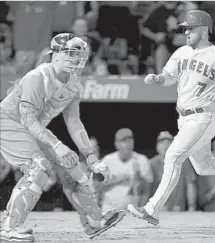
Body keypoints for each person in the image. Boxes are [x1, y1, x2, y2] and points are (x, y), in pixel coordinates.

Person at [127, 10, 215, 226]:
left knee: (172, 155)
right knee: (203, 166)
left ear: (204, 29)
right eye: (185, 28)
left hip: (204, 116)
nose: (186, 31)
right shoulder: (181, 52)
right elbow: (169, 77)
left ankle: (152, 209)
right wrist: (157, 78)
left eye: (190, 28)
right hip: (184, 118)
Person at [0, 33, 125, 242]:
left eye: (79, 55)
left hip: (34, 127)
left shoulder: (74, 85)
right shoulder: (36, 78)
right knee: (38, 167)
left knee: (73, 167)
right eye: (70, 54)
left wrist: (91, 157)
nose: (76, 60)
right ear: (55, 54)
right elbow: (28, 121)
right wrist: (57, 145)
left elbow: (74, 123)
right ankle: (9, 228)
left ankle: (94, 223)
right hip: (9, 123)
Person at [100, 128, 153, 211]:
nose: (128, 144)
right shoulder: (107, 160)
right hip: (109, 210)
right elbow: (97, 186)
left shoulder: (141, 160)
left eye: (130, 140)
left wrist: (139, 176)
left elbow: (147, 189)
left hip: (132, 212)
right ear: (116, 144)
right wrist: (116, 179)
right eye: (124, 141)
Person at [150, 131, 197, 212]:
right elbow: (148, 188)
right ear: (157, 147)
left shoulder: (183, 162)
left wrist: (191, 208)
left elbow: (190, 185)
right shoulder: (151, 164)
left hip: (178, 210)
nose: (166, 145)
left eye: (169, 143)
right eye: (162, 143)